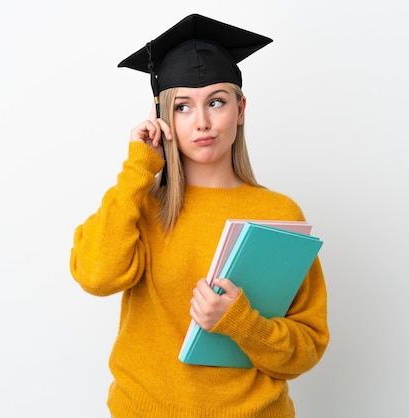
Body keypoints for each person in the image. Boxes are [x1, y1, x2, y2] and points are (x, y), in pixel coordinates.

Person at [69, 13, 329, 417]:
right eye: (183, 107)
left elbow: (306, 349)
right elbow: (97, 275)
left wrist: (241, 323)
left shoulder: (278, 212)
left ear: (240, 109)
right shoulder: (139, 204)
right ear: (163, 118)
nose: (203, 122)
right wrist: (139, 168)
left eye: (217, 102)